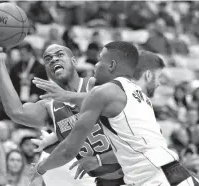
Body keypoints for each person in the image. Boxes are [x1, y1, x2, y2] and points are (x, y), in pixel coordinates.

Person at [33, 43, 199, 185]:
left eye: (99, 60)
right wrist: (56, 131)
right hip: (167, 171)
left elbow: (68, 151)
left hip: (157, 177)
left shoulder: (106, 93)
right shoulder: (134, 91)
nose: (95, 65)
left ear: (111, 65)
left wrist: (41, 168)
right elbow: (90, 101)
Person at [0, 31, 124, 186]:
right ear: (47, 71)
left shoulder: (94, 84)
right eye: (48, 59)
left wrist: (67, 97)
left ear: (74, 61)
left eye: (59, 54)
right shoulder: (51, 108)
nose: (54, 59)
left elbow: (116, 104)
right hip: (103, 181)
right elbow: (15, 112)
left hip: (135, 173)